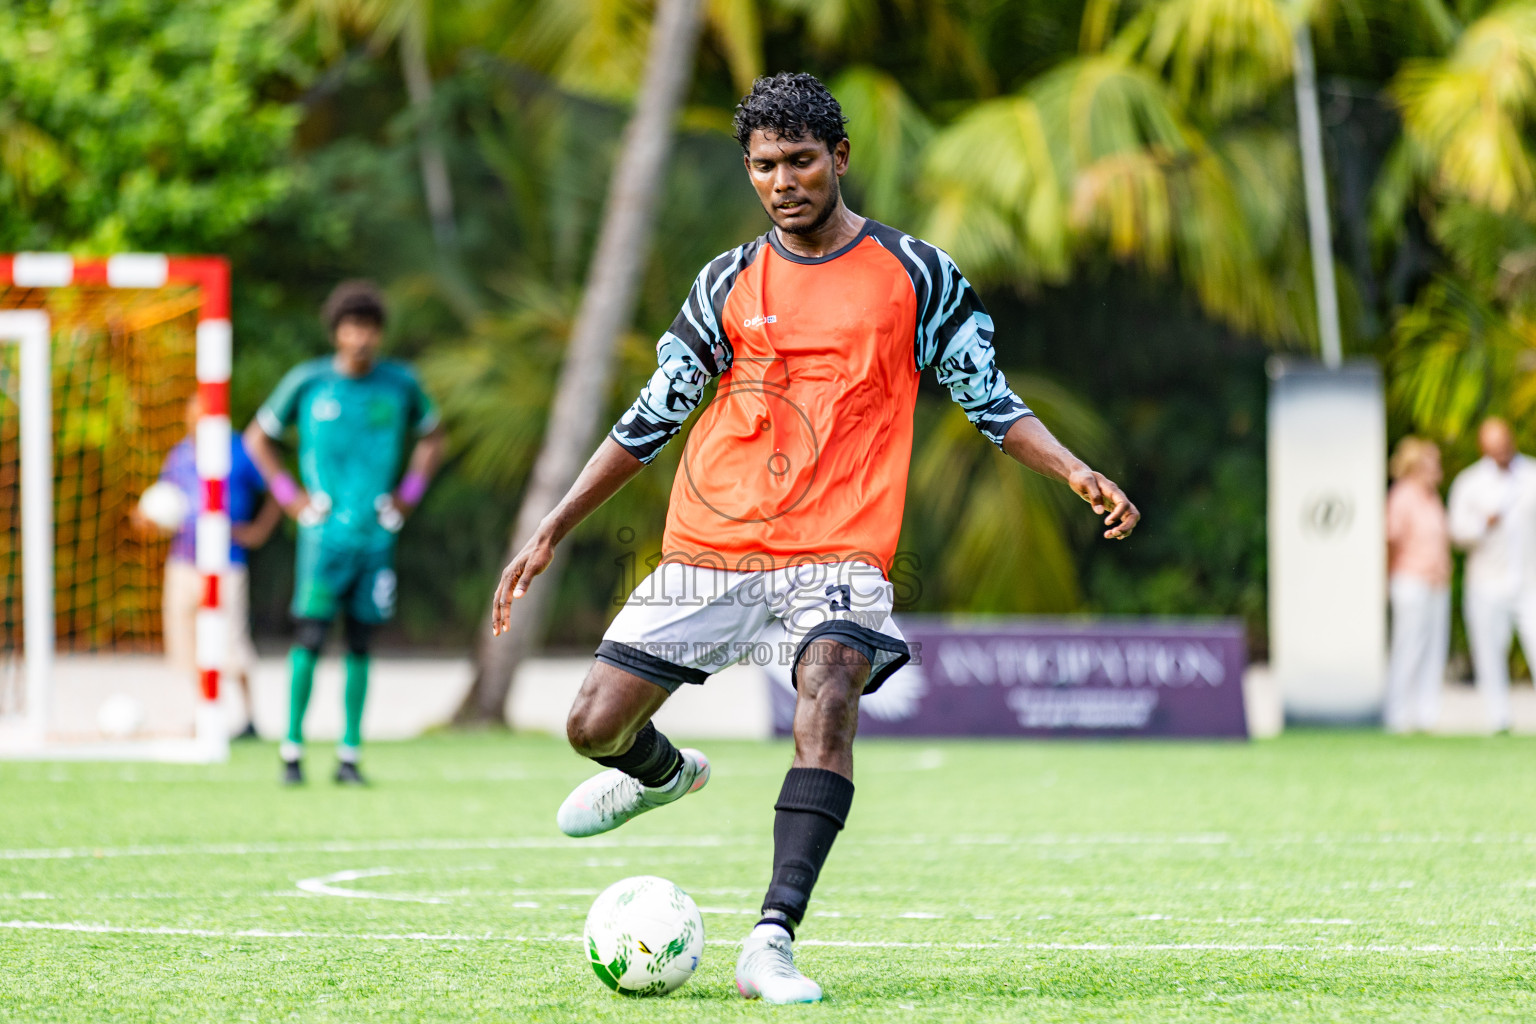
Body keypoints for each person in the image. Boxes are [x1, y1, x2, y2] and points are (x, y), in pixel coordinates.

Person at [489, 72, 1140, 1004]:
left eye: (800, 160)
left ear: (839, 157)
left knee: (829, 686)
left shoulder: (916, 275)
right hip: (713, 546)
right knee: (594, 727)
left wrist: (1073, 468)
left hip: (839, 549)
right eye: (763, 166)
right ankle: (664, 776)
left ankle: (770, 941)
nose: (782, 181)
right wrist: (551, 526)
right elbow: (648, 419)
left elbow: (993, 403)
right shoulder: (726, 282)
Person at [244, 281, 445, 786]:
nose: (360, 337)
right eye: (351, 327)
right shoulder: (308, 382)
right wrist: (291, 498)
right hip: (322, 540)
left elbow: (433, 437)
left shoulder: (400, 383)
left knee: (361, 642)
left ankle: (349, 755)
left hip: (376, 538)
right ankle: (291, 750)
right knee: (309, 637)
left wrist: (409, 495)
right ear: (336, 332)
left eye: (369, 327)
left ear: (378, 333)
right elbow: (257, 439)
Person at [138, 394, 281, 738]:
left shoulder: (241, 450)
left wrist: (260, 529)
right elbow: (166, 502)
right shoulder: (180, 455)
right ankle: (206, 712)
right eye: (193, 416)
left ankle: (249, 718)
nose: (197, 423)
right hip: (184, 560)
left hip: (226, 562)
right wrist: (149, 518)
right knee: (186, 641)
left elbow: (278, 487)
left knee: (232, 642)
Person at [1448, 417, 1536, 732]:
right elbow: (1456, 531)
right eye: (1493, 447)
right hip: (1487, 582)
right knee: (1490, 652)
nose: (1501, 451)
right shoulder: (1469, 482)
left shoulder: (1532, 474)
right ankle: (1498, 719)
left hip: (1529, 579)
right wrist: (1484, 524)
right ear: (1484, 448)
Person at [1384, 437, 1450, 733]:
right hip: (1410, 580)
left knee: (1434, 649)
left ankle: (1426, 715)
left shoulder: (1432, 497)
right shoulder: (1402, 496)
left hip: (1437, 582)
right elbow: (1391, 541)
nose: (1437, 468)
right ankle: (1398, 715)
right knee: (1408, 647)